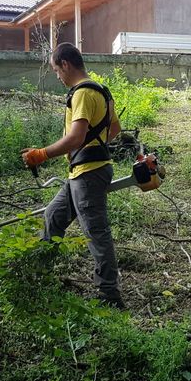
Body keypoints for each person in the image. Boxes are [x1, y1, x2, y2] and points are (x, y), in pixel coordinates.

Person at [20, 42, 125, 309]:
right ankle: (42, 275)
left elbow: (75, 136)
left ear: (65, 64)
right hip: (85, 171)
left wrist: (42, 154)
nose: (58, 76)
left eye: (56, 70)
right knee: (54, 215)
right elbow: (114, 129)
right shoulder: (101, 90)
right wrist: (89, 146)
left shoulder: (81, 93)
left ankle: (109, 296)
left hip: (88, 174)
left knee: (96, 232)